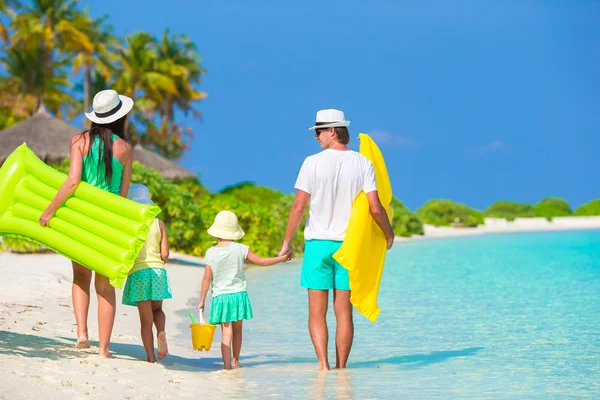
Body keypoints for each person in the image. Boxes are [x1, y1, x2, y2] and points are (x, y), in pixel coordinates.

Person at [278, 109, 395, 371]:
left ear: (332, 131)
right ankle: (342, 370)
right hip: (349, 247)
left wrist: (286, 243)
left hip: (318, 245)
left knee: (316, 313)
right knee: (344, 313)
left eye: (318, 131)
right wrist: (388, 234)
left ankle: (323, 366)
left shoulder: (312, 163)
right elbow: (376, 208)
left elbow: (298, 207)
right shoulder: (363, 163)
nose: (316, 137)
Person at [39, 89, 134, 358]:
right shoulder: (125, 149)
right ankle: (104, 349)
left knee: (81, 277)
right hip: (109, 222)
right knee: (105, 286)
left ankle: (82, 334)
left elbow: (72, 181)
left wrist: (50, 210)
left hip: (81, 218)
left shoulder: (79, 140)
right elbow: (123, 195)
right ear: (119, 117)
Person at [196, 210, 292, 370]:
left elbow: (207, 278)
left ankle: (227, 367)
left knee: (226, 334)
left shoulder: (211, 252)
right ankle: (235, 360)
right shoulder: (241, 249)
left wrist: (201, 300)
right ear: (234, 231)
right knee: (238, 331)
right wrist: (281, 259)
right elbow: (262, 262)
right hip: (238, 296)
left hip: (222, 298)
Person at [122, 184, 172, 363]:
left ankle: (151, 357)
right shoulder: (160, 223)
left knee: (145, 319)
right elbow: (165, 254)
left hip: (139, 273)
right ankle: (161, 331)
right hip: (158, 270)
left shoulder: (130, 225)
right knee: (158, 309)